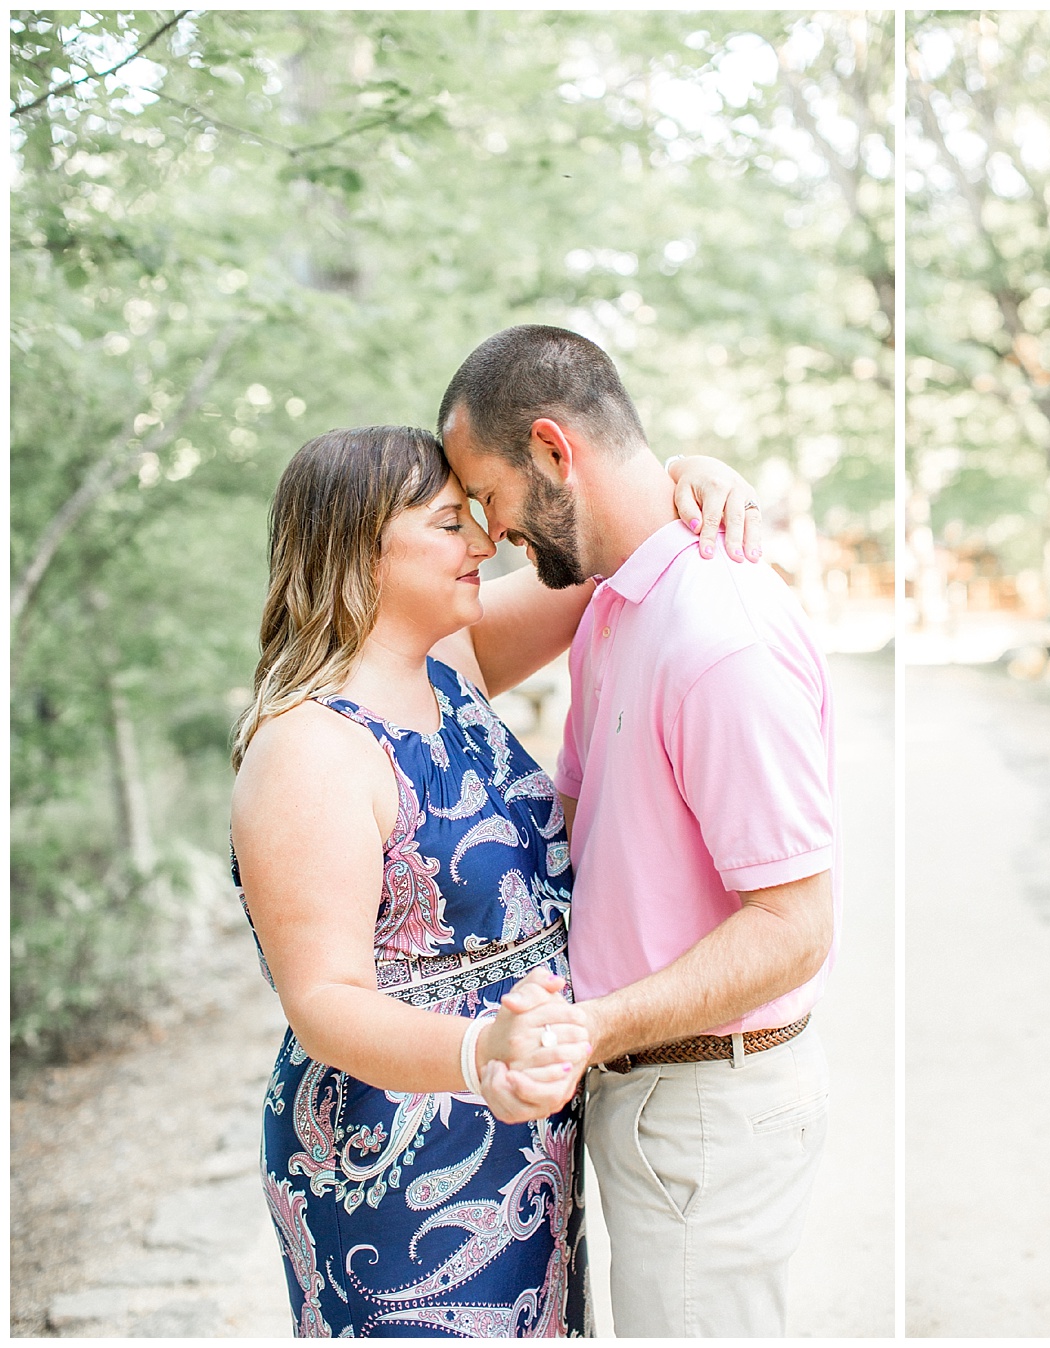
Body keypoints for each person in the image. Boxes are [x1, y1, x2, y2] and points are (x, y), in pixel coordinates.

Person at [231, 424, 756, 1337]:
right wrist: (481, 1056)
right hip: (388, 1154)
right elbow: (322, 999)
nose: (481, 544)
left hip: (523, 1129)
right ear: (359, 551)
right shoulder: (308, 750)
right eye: (447, 525)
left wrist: (687, 474)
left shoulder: (450, 666)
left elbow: (610, 549)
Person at [438, 325, 839, 1337]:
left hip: (706, 1099)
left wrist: (593, 1028)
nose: (487, 538)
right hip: (649, 1090)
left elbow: (794, 925)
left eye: (486, 496)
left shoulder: (718, 639)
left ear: (551, 450)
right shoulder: (613, 606)